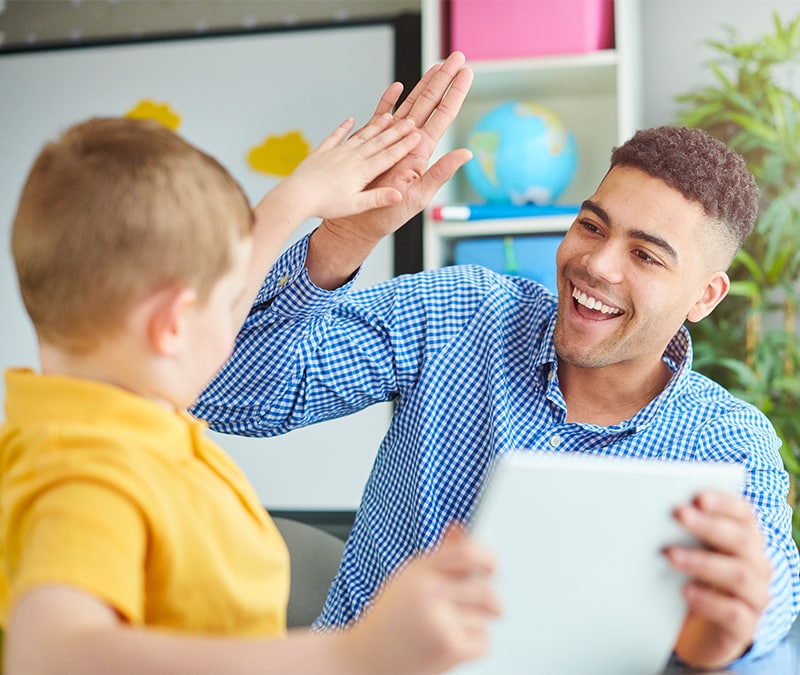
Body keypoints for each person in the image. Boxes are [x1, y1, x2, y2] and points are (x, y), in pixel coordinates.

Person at [193, 105, 800, 669]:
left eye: (646, 256)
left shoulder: (729, 442)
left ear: (704, 296)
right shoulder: (463, 314)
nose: (597, 264)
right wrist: (344, 240)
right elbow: (228, 391)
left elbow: (771, 609)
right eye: (592, 226)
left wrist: (728, 638)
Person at [0, 83, 504, 672]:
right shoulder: (89, 468)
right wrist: (352, 654)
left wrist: (297, 199)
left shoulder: (123, 410)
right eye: (229, 304)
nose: (241, 312)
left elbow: (212, 298)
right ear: (172, 325)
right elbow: (50, 654)